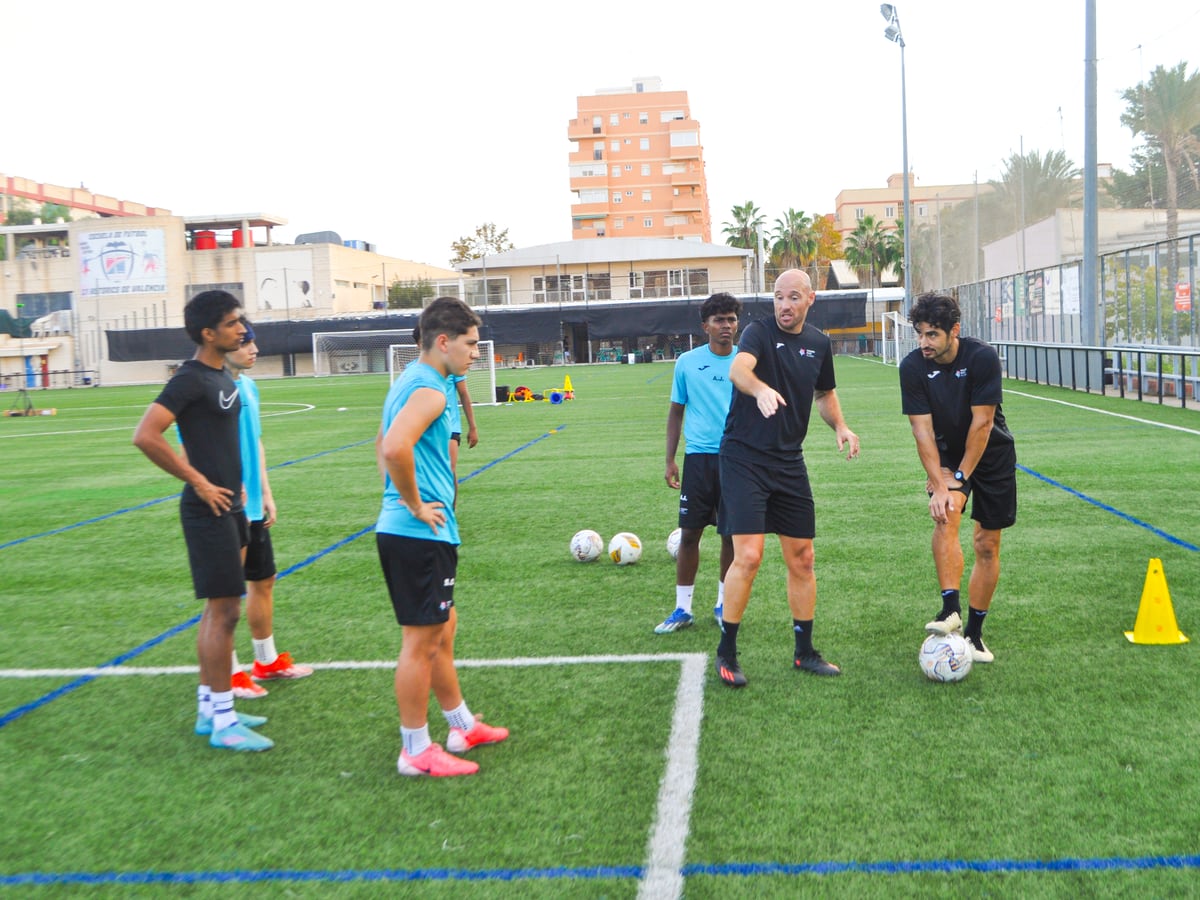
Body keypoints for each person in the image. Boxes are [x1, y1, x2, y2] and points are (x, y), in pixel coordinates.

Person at [132, 290, 272, 751]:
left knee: (220, 612)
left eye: (242, 321)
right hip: (207, 509)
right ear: (208, 333)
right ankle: (223, 721)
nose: (242, 329)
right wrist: (198, 481)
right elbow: (146, 435)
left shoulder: (224, 378)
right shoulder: (190, 379)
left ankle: (211, 709)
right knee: (225, 611)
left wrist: (238, 483)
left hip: (232, 506)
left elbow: (210, 440)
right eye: (233, 323)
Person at [376, 297, 508, 777]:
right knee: (421, 642)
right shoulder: (430, 390)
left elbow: (381, 442)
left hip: (414, 530)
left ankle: (461, 724)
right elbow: (393, 447)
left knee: (442, 631)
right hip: (418, 532)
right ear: (443, 341)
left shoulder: (412, 383)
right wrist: (412, 503)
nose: (477, 353)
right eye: (472, 344)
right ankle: (414, 749)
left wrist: (397, 498)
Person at [714, 269, 860, 687]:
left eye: (793, 297)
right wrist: (759, 389)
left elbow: (824, 393)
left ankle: (805, 651)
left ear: (810, 299)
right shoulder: (758, 333)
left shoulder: (818, 343)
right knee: (750, 556)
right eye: (778, 297)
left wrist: (841, 427)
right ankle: (727, 651)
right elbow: (739, 370)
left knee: (803, 557)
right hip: (743, 457)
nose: (784, 305)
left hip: (788, 461)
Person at [899, 292, 1017, 663]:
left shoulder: (981, 358)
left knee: (987, 543)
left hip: (992, 454)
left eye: (932, 334)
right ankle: (950, 609)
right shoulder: (912, 367)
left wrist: (963, 474)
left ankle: (976, 637)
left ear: (955, 331)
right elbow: (921, 430)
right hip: (948, 452)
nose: (924, 343)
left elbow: (982, 424)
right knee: (946, 513)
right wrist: (938, 483)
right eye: (919, 334)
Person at [222, 321, 313, 696]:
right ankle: (227, 672)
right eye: (245, 343)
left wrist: (266, 492)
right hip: (225, 507)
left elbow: (255, 442)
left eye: (254, 343)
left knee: (263, 580)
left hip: (253, 505)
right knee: (225, 596)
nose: (253, 350)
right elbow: (189, 448)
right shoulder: (211, 388)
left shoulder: (249, 385)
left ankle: (266, 660)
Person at [654, 292, 741, 634]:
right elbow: (676, 412)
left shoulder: (746, 362)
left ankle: (723, 604)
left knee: (730, 535)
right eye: (719, 320)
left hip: (735, 460)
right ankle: (682, 609)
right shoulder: (687, 363)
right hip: (698, 460)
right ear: (705, 326)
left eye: (731, 319)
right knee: (690, 533)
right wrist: (670, 459)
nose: (726, 326)